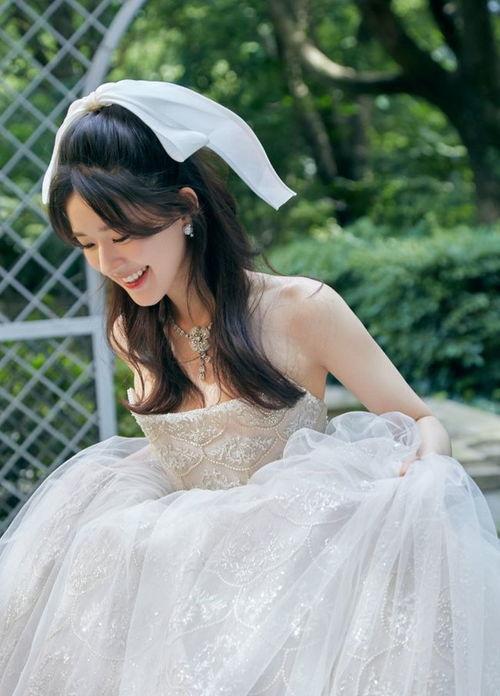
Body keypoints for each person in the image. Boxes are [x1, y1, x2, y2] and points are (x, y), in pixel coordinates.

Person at [0, 79, 499, 696]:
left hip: (298, 589)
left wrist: (426, 468)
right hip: (180, 601)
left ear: (185, 209)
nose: (109, 263)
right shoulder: (132, 330)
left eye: (122, 235)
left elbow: (422, 420)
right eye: (88, 244)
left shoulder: (302, 309)